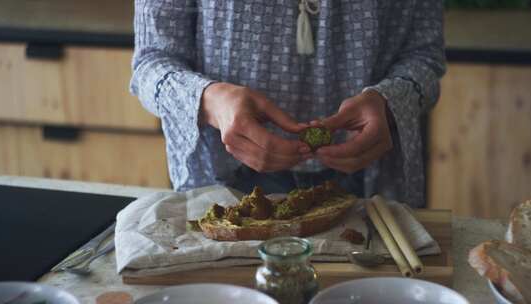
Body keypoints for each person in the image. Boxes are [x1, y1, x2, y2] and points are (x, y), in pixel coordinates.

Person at [130, 0, 445, 207]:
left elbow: (424, 56)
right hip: (225, 181)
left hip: (373, 183)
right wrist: (214, 101)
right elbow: (151, 62)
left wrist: (390, 102)